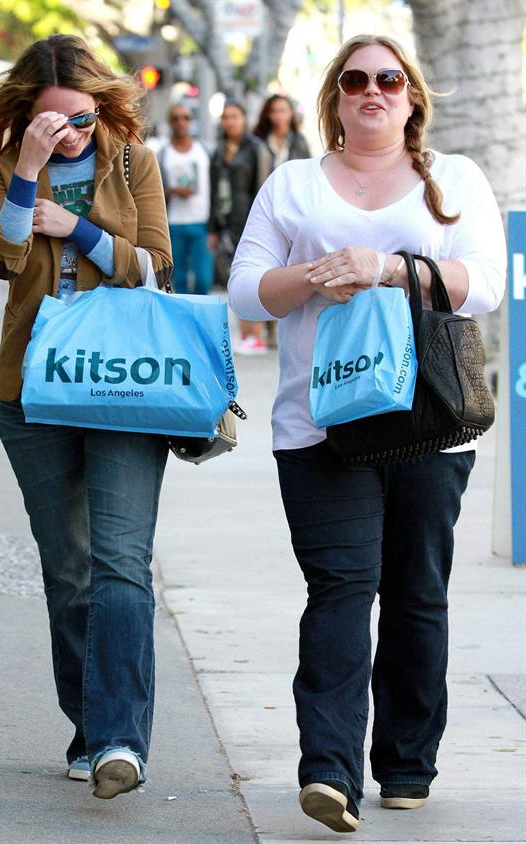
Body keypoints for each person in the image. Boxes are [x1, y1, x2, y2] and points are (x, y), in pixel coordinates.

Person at [229, 34, 505, 834]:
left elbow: (485, 285)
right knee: (342, 589)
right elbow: (249, 291)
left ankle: (408, 767)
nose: (372, 91)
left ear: (412, 95)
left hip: (431, 421)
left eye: (389, 79)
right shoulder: (293, 185)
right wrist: (318, 273)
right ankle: (330, 774)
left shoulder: (453, 180)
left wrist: (386, 268)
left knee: (417, 594)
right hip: (322, 427)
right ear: (336, 98)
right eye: (355, 80)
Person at [0, 34, 173, 799]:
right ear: (27, 116)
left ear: (100, 105)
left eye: (79, 119)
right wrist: (28, 172)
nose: (70, 133)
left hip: (124, 387)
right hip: (33, 392)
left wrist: (75, 229)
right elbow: (2, 253)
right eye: (52, 122)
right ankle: (90, 725)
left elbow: (151, 264)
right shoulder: (4, 167)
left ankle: (120, 741)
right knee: (68, 568)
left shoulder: (130, 162)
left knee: (119, 560)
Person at [208, 100, 269, 354]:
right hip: (225, 220)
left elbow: (263, 186)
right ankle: (243, 333)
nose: (229, 122)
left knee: (250, 274)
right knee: (232, 277)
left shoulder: (255, 148)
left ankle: (256, 334)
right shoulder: (219, 149)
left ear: (244, 120)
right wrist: (212, 227)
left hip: (249, 218)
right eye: (226, 117)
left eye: (234, 116)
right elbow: (212, 189)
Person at [253, 94, 311, 347]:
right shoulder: (258, 144)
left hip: (295, 213)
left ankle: (285, 326)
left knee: (290, 268)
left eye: (283, 110)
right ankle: (269, 328)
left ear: (291, 114)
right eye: (274, 110)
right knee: (267, 270)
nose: (279, 116)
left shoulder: (299, 143)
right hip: (264, 211)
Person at [158, 103, 213, 294]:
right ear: (169, 122)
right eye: (176, 118)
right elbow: (154, 191)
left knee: (203, 280)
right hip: (173, 223)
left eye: (186, 118)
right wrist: (172, 191)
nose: (181, 122)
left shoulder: (204, 150)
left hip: (202, 222)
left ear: (192, 121)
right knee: (178, 280)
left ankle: (199, 320)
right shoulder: (163, 154)